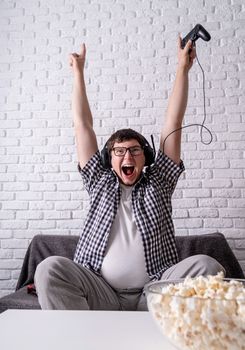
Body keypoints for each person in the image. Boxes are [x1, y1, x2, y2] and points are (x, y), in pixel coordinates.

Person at [34, 37, 225, 311]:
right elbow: (82, 126)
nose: (127, 157)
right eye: (119, 151)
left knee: (208, 266)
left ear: (145, 157)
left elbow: (173, 122)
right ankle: (77, 337)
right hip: (100, 291)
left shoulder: (159, 181)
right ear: (108, 159)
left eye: (135, 151)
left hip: (155, 293)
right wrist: (77, 72)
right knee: (49, 268)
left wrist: (183, 68)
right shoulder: (98, 181)